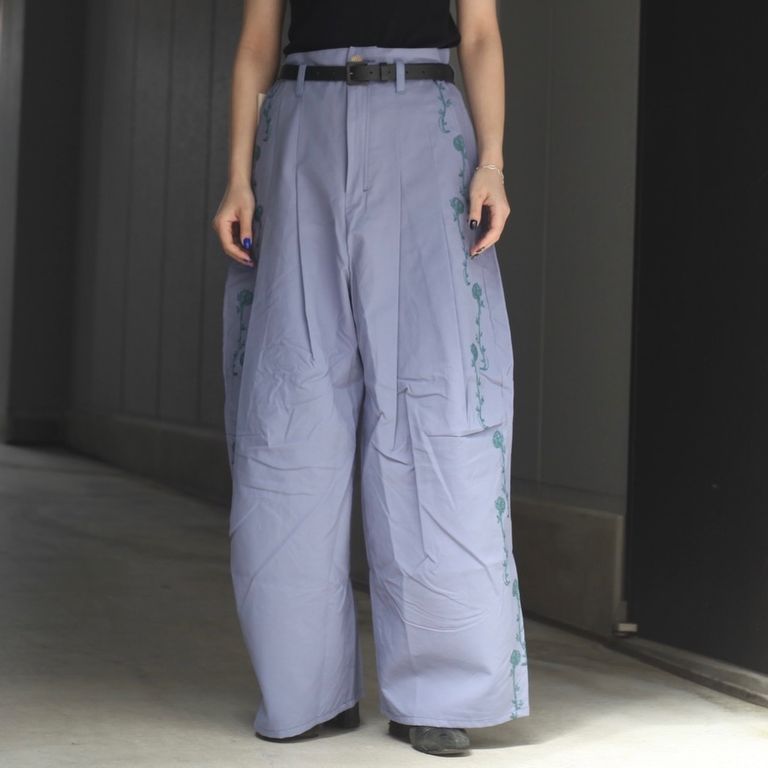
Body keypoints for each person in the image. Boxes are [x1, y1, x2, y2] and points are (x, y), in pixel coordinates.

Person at [212, 0, 529, 757]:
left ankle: (440, 691)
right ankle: (304, 690)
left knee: (437, 399)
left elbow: (480, 33)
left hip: (423, 124)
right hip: (303, 128)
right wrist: (237, 177)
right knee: (291, 401)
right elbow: (258, 42)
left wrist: (491, 161)